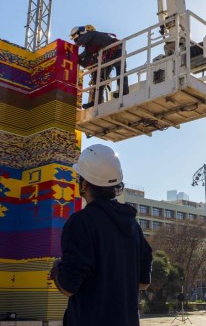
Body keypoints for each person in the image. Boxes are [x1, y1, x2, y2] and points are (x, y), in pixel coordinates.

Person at [50, 144, 153, 326]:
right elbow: (143, 284)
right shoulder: (133, 226)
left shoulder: (80, 223)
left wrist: (56, 269)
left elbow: (68, 287)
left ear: (84, 184)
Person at [70, 25, 129, 109]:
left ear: (80, 34)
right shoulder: (88, 46)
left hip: (118, 49)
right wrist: (77, 59)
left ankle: (124, 91)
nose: (76, 41)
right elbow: (86, 62)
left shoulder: (90, 34)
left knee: (120, 70)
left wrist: (70, 50)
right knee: (100, 78)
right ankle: (97, 101)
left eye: (76, 38)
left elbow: (80, 41)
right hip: (108, 56)